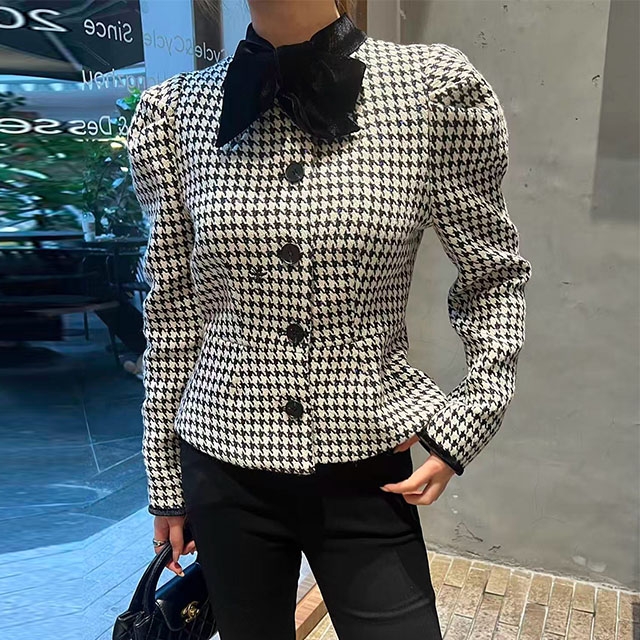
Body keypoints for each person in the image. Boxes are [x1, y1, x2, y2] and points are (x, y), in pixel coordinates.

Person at [125, 0, 533, 638]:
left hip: (368, 464)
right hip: (222, 465)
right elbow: (173, 310)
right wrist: (166, 481)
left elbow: (492, 274)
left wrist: (470, 415)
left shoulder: (432, 91)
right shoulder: (172, 115)